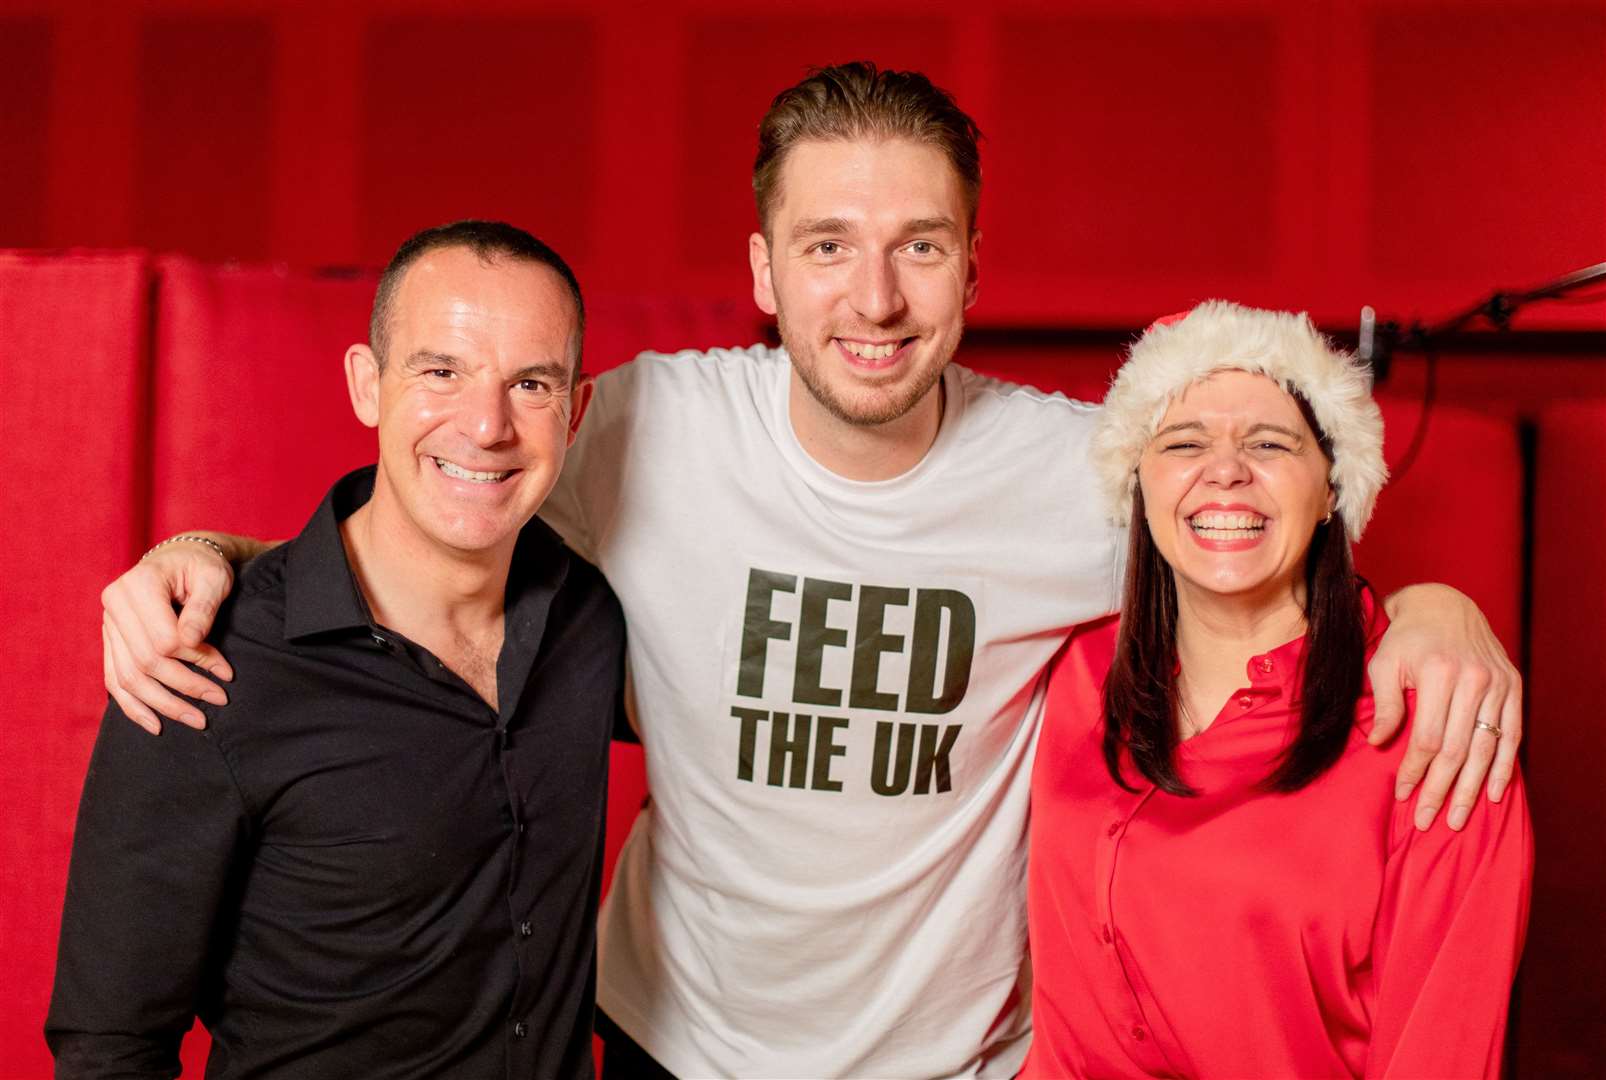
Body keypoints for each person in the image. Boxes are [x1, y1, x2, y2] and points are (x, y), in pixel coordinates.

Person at [95, 65, 1523, 1077]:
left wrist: (1441, 609)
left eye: (918, 246)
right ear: (766, 271)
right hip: (667, 1044)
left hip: (957, 1063)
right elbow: (446, 497)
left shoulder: (1080, 468)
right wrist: (210, 556)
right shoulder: (641, 423)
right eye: (828, 246)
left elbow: (1254, 531)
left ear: (972, 271)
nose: (875, 297)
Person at [48, 221, 625, 1078]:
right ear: (368, 384)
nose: (487, 423)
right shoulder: (204, 666)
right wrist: (204, 554)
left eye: (531, 383)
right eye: (441, 371)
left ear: (574, 413)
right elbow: (110, 1048)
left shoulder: (594, 619)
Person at [1023, 302, 1533, 1078]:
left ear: (1332, 489)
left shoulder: (1440, 723)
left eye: (1269, 443)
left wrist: (1434, 607)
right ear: (1140, 485)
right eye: (1184, 442)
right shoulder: (1075, 672)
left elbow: (1445, 1051)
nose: (1224, 470)